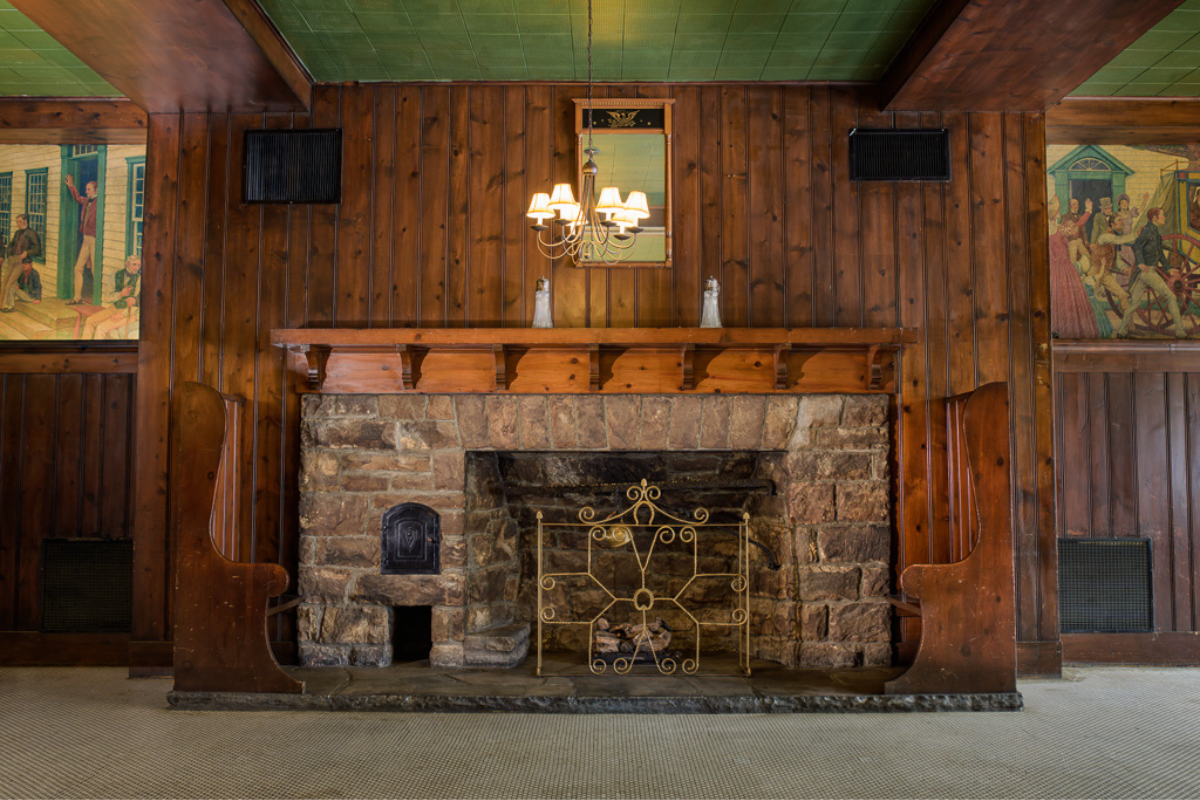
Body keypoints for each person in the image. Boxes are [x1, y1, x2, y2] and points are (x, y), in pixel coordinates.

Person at [1116, 207, 1187, 338]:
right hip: (1147, 272)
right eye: (1162, 215)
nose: (1164, 217)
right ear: (1155, 218)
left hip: (1144, 274)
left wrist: (1168, 268)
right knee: (1171, 296)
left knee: (1134, 303)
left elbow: (1160, 254)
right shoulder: (1147, 230)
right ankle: (1180, 332)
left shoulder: (1156, 234)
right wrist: (1141, 263)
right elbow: (1137, 246)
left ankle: (1121, 331)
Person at [1048, 195, 1099, 338]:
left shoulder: (1046, 230)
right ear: (1056, 214)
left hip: (1052, 270)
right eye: (1058, 210)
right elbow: (1078, 225)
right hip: (1064, 269)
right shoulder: (1059, 229)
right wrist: (1088, 211)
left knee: (1057, 300)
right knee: (1069, 299)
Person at [81, 254, 140, 339]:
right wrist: (121, 294)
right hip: (114, 308)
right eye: (134, 264)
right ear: (127, 264)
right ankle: (85, 348)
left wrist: (122, 314)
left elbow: (137, 302)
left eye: (138, 265)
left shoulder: (139, 280)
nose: (136, 268)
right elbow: (107, 297)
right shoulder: (116, 275)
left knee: (100, 328)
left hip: (129, 312)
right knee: (89, 321)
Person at [64, 174, 99, 305]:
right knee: (78, 268)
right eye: (86, 189)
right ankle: (77, 297)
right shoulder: (86, 201)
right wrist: (70, 185)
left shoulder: (100, 202)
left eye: (89, 189)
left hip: (95, 239)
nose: (86, 191)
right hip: (86, 238)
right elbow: (78, 197)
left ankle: (98, 300)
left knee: (95, 269)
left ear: (96, 190)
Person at [0, 213, 42, 309]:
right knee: (4, 281)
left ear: (25, 222)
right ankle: (0, 303)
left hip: (21, 261)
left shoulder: (31, 233)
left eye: (19, 222)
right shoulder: (17, 233)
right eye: (17, 222)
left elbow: (38, 249)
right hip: (12, 260)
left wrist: (27, 252)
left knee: (10, 283)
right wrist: (9, 255)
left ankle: (5, 305)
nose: (18, 224)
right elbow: (11, 245)